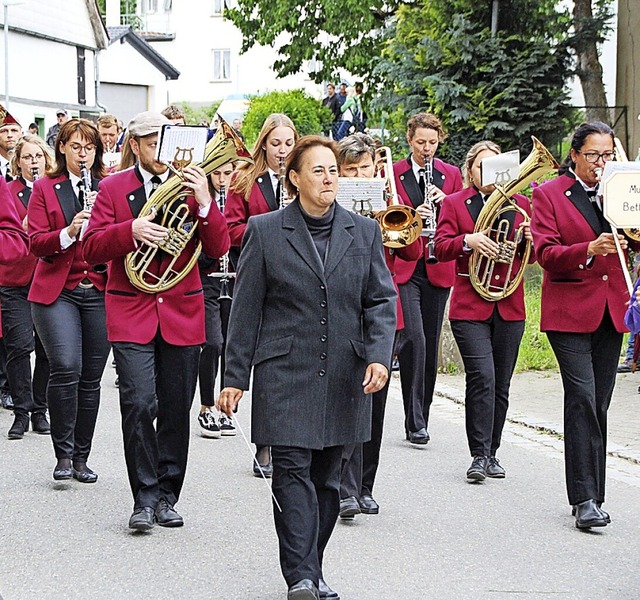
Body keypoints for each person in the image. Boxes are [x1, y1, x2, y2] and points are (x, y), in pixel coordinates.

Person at [217, 135, 397, 600]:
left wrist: (379, 355)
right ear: (294, 179)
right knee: (291, 473)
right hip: (284, 372)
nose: (329, 177)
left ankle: (311, 566)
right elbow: (246, 309)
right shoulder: (265, 229)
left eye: (333, 169)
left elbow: (380, 299)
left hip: (345, 373)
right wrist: (234, 378)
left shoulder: (365, 231)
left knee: (328, 481)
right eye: (317, 170)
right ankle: (300, 577)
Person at [82, 111, 231, 531]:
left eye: (163, 143)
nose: (161, 154)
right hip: (131, 309)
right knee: (138, 402)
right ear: (135, 145)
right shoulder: (112, 188)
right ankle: (143, 497)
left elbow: (219, 247)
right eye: (150, 144)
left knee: (174, 410)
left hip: (182, 310)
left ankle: (168, 495)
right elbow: (91, 249)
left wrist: (204, 203)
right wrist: (131, 231)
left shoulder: (189, 185)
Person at [530, 121, 636, 529]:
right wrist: (588, 249)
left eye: (607, 155)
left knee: (601, 402)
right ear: (574, 155)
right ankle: (584, 498)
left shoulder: (621, 189)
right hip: (569, 311)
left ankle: (596, 491)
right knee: (582, 396)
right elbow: (545, 252)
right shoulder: (549, 194)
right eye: (593, 155)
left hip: (612, 309)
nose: (600, 163)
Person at [435, 140, 533, 480]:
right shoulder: (455, 203)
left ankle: (492, 452)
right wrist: (469, 241)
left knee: (501, 384)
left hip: (509, 305)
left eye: (495, 166)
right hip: (470, 306)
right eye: (481, 166)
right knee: (482, 378)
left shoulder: (519, 205)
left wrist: (526, 240)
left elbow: (532, 259)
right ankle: (478, 455)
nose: (488, 173)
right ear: (469, 171)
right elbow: (440, 247)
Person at [336, 134, 422, 521]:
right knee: (344, 399)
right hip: (340, 311)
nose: (357, 175)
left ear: (375, 168)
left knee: (375, 403)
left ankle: (365, 486)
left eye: (363, 168)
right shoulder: (329, 202)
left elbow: (413, 253)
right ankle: (344, 487)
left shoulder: (392, 201)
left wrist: (389, 211)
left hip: (380, 314)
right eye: (349, 170)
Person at [27, 118, 111, 483]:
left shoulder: (108, 187)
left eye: (89, 148)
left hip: (98, 289)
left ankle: (81, 457)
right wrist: (69, 231)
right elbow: (35, 242)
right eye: (76, 147)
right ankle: (62, 454)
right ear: (61, 147)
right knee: (65, 366)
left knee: (91, 378)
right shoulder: (46, 187)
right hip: (57, 291)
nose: (83, 154)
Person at [224, 112, 299, 477]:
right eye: (276, 145)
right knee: (264, 362)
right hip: (258, 278)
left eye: (288, 144)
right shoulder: (244, 180)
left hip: (295, 282)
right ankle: (263, 444)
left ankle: (288, 438)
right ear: (263, 145)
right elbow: (230, 229)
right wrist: (268, 232)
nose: (283, 152)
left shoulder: (300, 181)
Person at [393, 112, 463, 444]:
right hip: (407, 266)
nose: (426, 149)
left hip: (438, 264)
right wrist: (413, 216)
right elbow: (389, 217)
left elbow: (460, 213)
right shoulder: (395, 173)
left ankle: (423, 412)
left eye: (432, 143)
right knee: (414, 340)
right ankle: (413, 416)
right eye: (421, 142)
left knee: (430, 345)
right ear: (410, 140)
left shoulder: (451, 175)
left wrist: (445, 200)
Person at [1, 135, 53, 439]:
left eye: (38, 157)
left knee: (47, 350)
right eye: (27, 157)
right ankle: (20, 412)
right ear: (17, 162)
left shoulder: (52, 190)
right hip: (16, 279)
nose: (34, 162)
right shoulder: (8, 191)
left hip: (46, 277)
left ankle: (39, 410)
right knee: (19, 347)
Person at [196, 159, 237, 438]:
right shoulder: (203, 200)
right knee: (212, 342)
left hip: (234, 277)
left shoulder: (237, 198)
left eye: (227, 173)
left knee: (231, 346)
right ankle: (206, 405)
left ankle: (226, 409)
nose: (222, 180)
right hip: (208, 277)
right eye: (217, 174)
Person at [0, 107, 22, 180]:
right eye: (4, 131)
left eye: (14, 130)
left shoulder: (29, 163)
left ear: (21, 134)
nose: (9, 135)